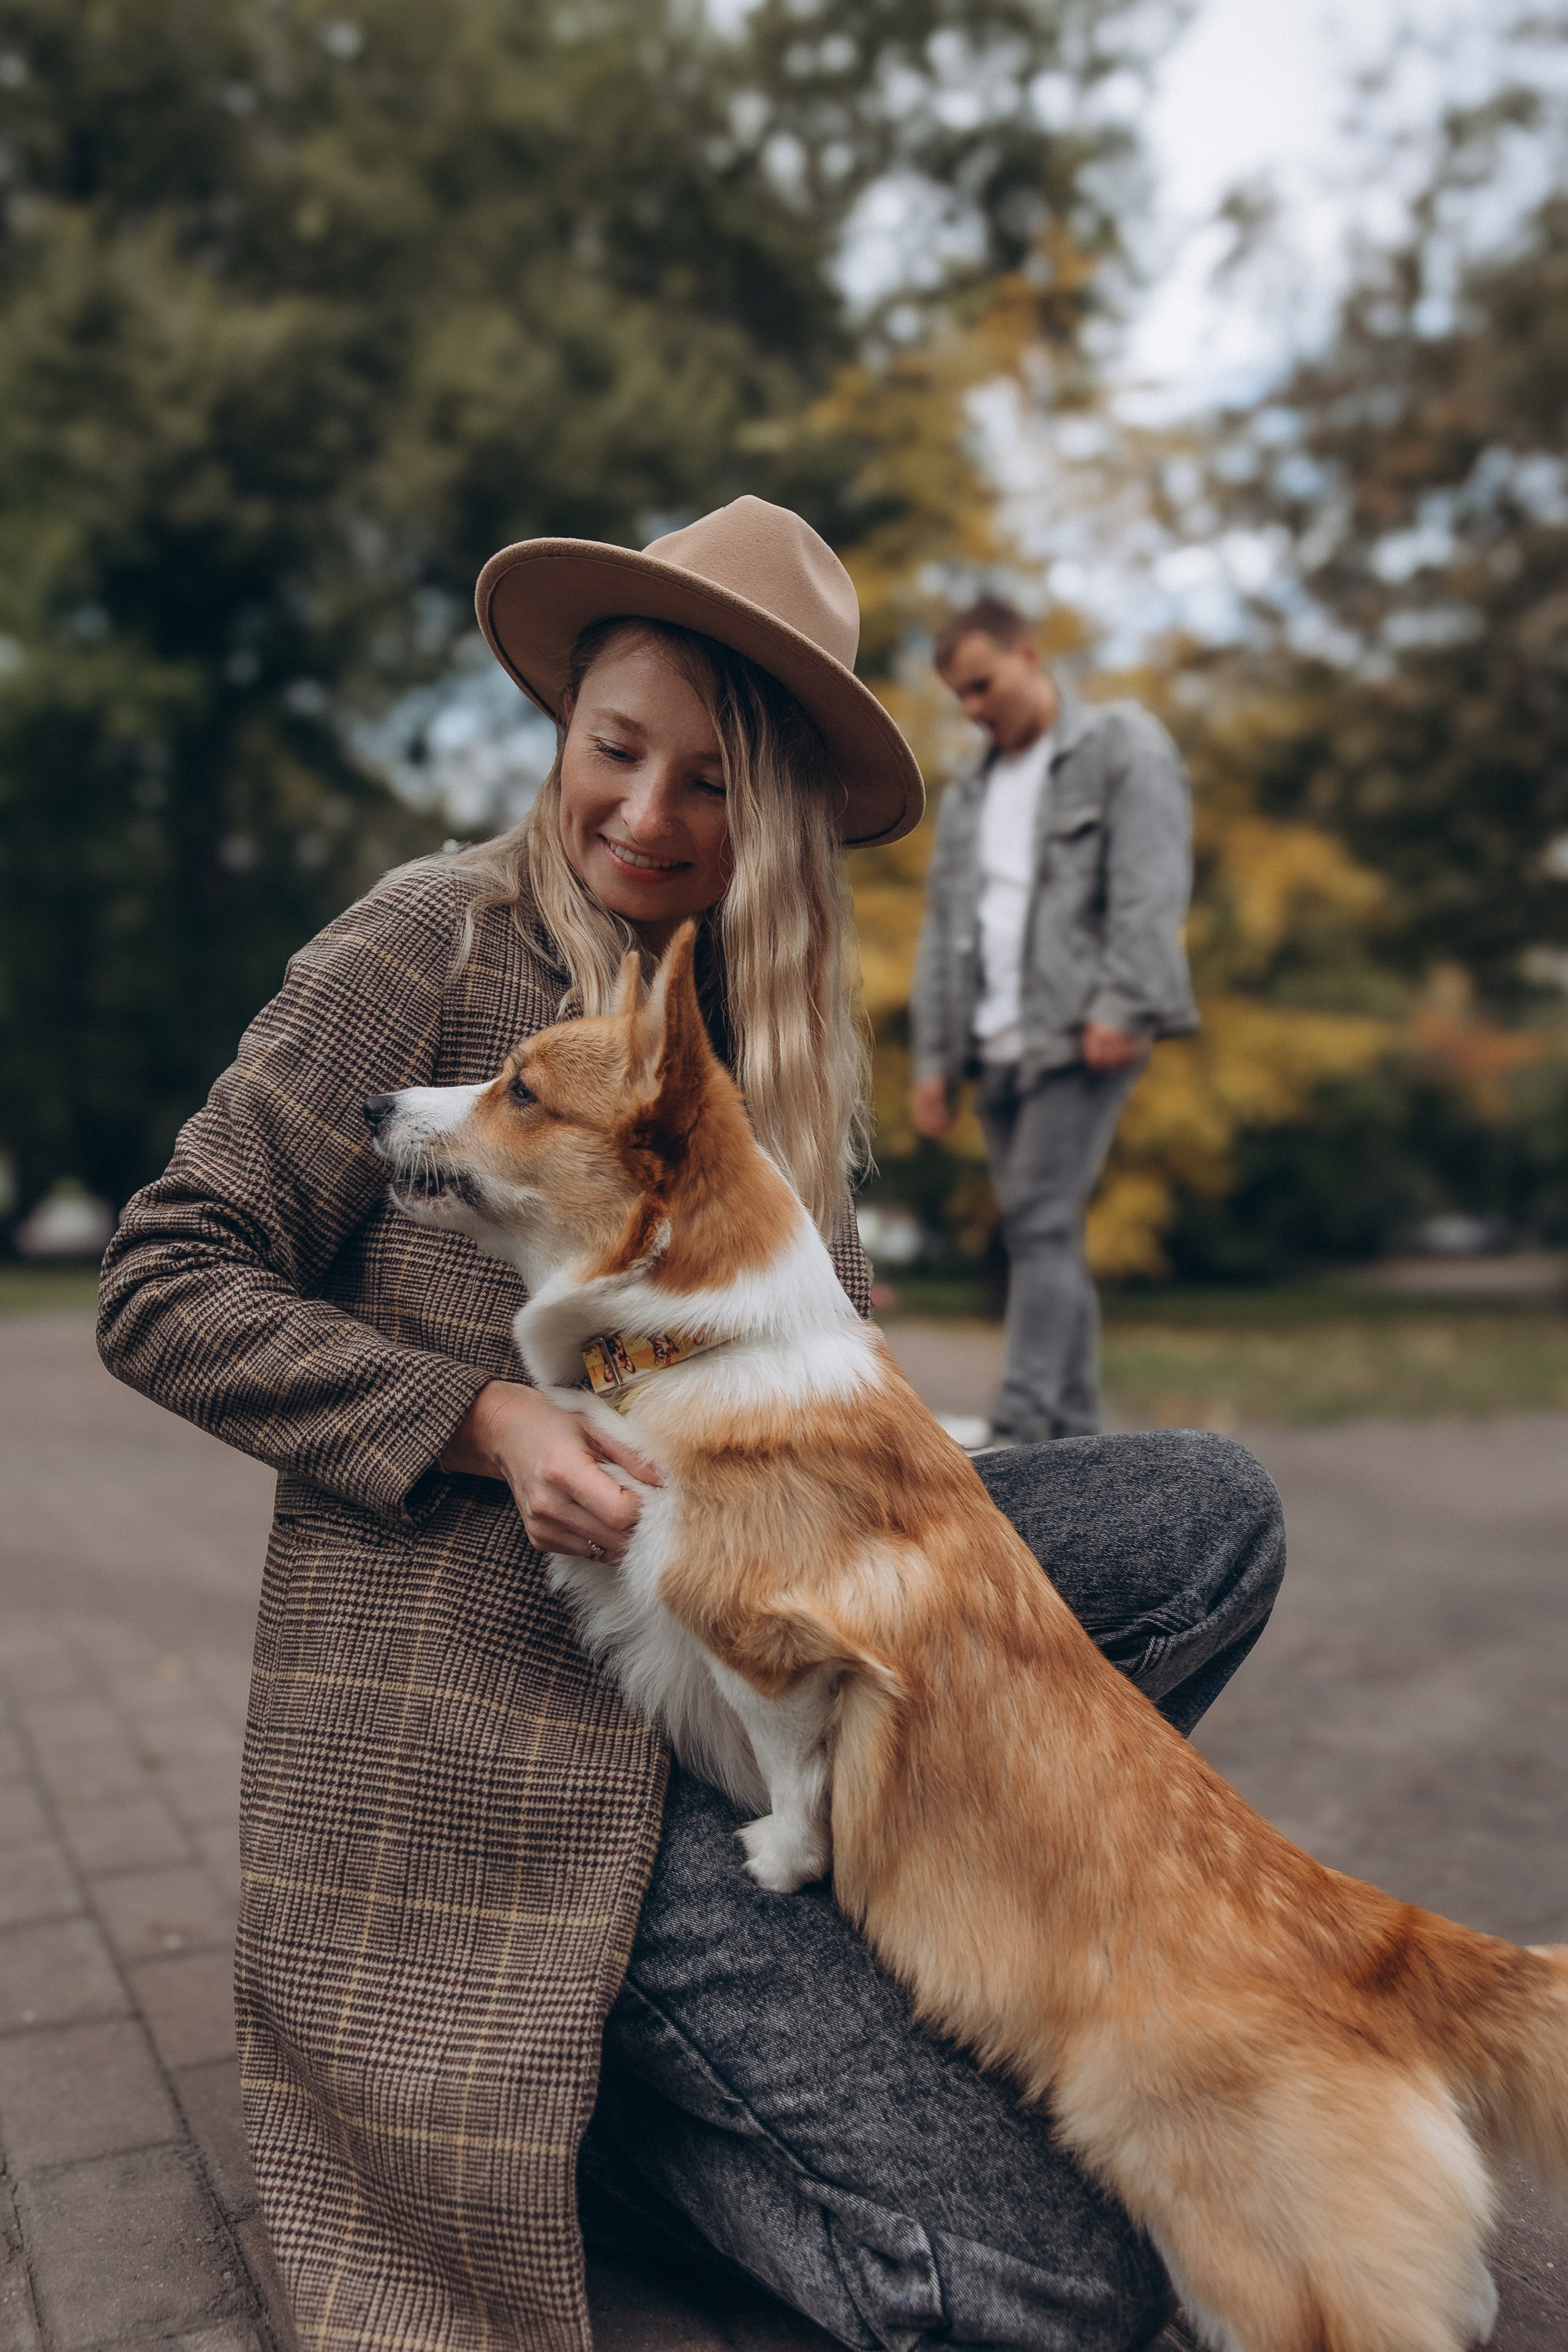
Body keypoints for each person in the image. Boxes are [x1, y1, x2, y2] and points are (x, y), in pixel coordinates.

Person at [97, 500, 1281, 2352]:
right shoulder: (432, 941)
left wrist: (906, 1481)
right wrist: (481, 1416)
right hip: (519, 1740)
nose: (648, 817)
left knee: (1207, 1516)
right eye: (616, 751)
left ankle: (893, 1893)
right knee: (1049, 2288)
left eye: (712, 786)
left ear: (779, 819)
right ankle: (618, 2103)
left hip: (747, 1666)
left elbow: (837, 1341)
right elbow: (163, 1275)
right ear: (563, 731)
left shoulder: (779, 1023)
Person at [909, 599, 1199, 1444]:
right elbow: (941, 932)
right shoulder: (970, 794)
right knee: (1045, 1230)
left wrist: (1123, 1003)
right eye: (958, 696)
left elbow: (1152, 884)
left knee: (1036, 1222)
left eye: (982, 685)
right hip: (992, 1042)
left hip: (1080, 1033)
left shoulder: (1121, 746)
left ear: (1029, 657)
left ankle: (1026, 1423)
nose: (972, 708)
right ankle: (1072, 1429)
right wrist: (934, 1058)